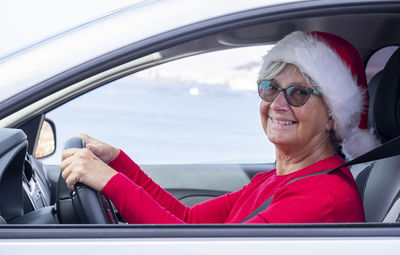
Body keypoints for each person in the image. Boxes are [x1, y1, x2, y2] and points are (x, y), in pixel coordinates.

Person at [60, 31, 380, 224]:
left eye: (298, 93)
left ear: (332, 117)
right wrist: (117, 161)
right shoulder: (276, 179)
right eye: (270, 87)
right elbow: (189, 221)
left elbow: (200, 250)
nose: (278, 104)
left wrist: (110, 182)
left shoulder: (324, 196)